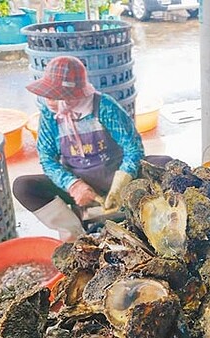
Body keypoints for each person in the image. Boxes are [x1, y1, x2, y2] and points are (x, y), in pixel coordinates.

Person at [13, 56, 145, 242]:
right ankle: (76, 235)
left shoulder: (104, 106)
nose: (49, 100)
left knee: (164, 164)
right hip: (77, 183)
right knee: (23, 186)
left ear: (76, 94)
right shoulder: (50, 115)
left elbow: (133, 148)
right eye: (48, 93)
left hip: (115, 177)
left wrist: (120, 183)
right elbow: (47, 159)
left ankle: (143, 220)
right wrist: (73, 185)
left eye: (56, 95)